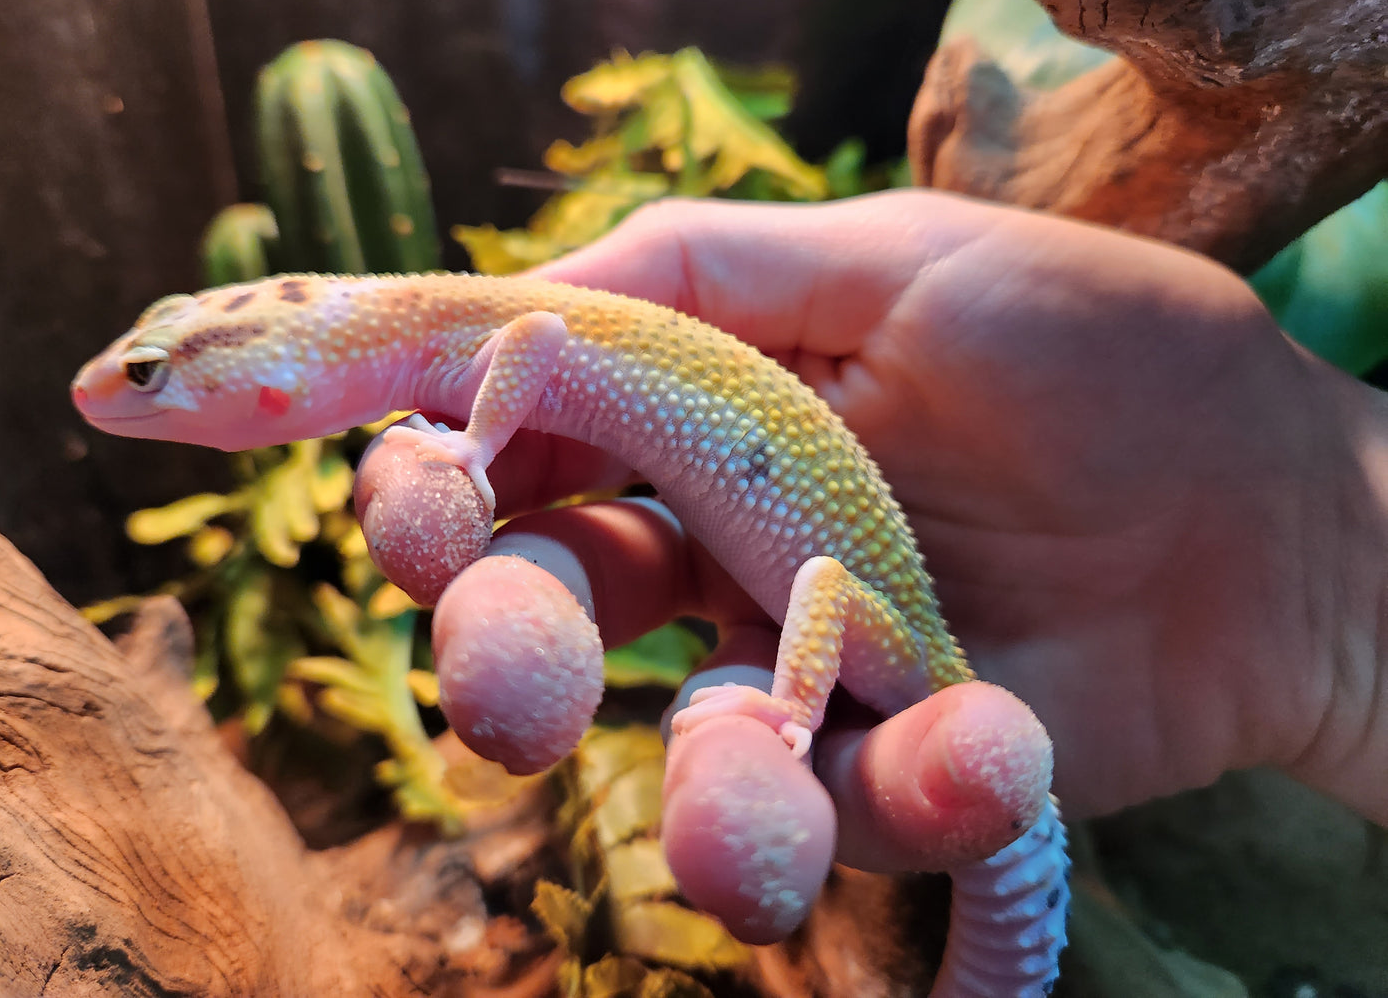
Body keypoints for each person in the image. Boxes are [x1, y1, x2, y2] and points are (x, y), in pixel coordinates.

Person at [359, 189, 1388, 940]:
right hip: (890, 625)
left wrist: (791, 707)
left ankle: (797, 713)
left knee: (821, 591)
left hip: (884, 638)